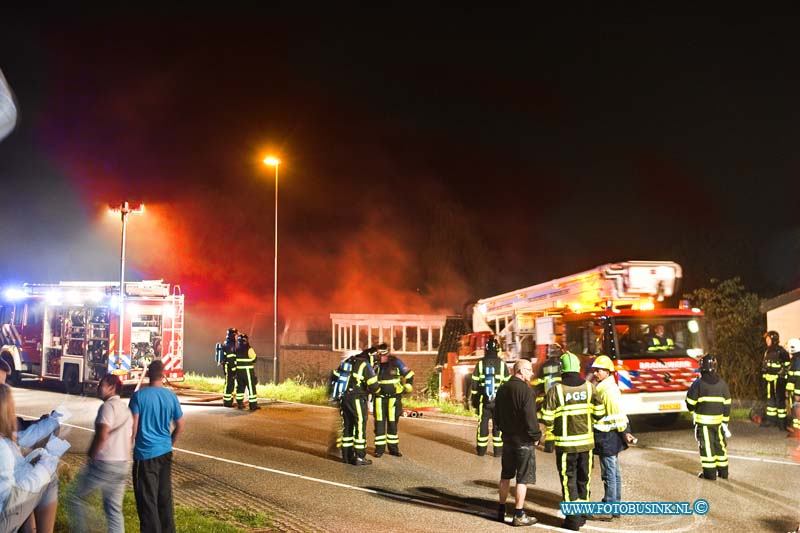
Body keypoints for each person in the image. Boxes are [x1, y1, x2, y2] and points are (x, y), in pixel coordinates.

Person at [540, 352, 604, 531]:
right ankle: (583, 514)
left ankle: (573, 520)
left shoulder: (556, 390)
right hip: (587, 445)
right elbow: (599, 414)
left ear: (562, 369)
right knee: (585, 479)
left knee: (569, 481)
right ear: (577, 368)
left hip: (566, 446)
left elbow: (547, 418)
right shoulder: (590, 388)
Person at [69, 374, 132, 532]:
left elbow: (102, 434)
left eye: (101, 385)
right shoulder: (126, 409)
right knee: (114, 509)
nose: (98, 387)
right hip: (122, 464)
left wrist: (91, 455)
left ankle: (87, 529)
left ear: (112, 388)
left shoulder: (107, 407)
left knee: (74, 497)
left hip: (104, 463)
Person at [130, 359, 185, 532]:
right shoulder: (171, 396)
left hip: (145, 456)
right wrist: (169, 442)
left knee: (147, 502)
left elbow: (134, 428)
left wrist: (126, 449)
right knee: (164, 498)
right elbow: (180, 425)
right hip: (165, 453)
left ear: (147, 375)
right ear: (163, 375)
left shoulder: (139, 397)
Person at [0, 384, 62, 533]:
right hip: (3, 517)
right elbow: (12, 497)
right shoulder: (2, 445)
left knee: (33, 480)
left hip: (6, 505)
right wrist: (46, 465)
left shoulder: (5, 441)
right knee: (50, 478)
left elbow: (27, 436)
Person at [493, 358, 541, 527]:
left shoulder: (502, 389)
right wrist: (536, 436)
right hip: (523, 441)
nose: (532, 373)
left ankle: (501, 509)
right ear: (521, 371)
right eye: (529, 370)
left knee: (505, 476)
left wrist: (501, 430)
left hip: (507, 440)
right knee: (522, 479)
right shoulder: (526, 392)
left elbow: (496, 413)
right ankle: (519, 514)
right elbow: (530, 418)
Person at [590, 355, 636, 519]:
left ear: (607, 372)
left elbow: (617, 415)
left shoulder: (607, 391)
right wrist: (625, 431)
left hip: (606, 436)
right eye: (594, 370)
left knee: (609, 473)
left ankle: (609, 506)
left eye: (599, 370)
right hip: (610, 436)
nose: (595, 373)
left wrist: (625, 431)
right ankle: (615, 506)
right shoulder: (607, 388)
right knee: (614, 472)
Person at [686, 354, 731, 480]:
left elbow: (690, 403)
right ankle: (723, 472)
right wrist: (725, 422)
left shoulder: (698, 384)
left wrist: (693, 408)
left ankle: (710, 474)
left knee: (707, 448)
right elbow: (727, 404)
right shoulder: (722, 384)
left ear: (702, 367)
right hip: (719, 423)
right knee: (720, 446)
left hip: (704, 424)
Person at [336, 348, 379, 465]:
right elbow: (374, 386)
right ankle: (359, 457)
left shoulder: (348, 362)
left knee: (347, 426)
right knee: (360, 425)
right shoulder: (364, 364)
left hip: (344, 398)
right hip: (357, 399)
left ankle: (346, 455)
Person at [470, 338, 511, 456]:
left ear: (486, 349)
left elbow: (474, 384)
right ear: (497, 349)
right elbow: (508, 384)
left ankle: (481, 450)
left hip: (484, 400)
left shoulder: (481, 364)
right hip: (499, 402)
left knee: (483, 423)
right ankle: (498, 451)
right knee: (498, 425)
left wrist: (475, 400)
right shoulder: (502, 365)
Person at [373, 342, 414, 458]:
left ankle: (393, 449)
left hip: (394, 398)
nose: (382, 356)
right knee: (379, 424)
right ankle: (379, 450)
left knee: (392, 424)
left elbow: (409, 374)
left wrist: (407, 387)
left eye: (384, 353)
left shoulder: (396, 362)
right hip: (379, 398)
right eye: (380, 353)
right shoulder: (374, 364)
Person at [532, 344, 563, 453]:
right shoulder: (561, 364)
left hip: (546, 397)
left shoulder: (544, 366)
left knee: (548, 422)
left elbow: (538, 381)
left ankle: (548, 445)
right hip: (560, 396)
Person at [761, 331, 791, 429]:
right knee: (770, 402)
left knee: (780, 401)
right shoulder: (767, 351)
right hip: (769, 381)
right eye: (766, 339)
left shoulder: (781, 351)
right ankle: (771, 420)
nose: (767, 341)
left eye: (768, 339)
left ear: (774, 340)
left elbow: (787, 366)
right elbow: (765, 366)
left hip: (779, 381)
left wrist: (781, 375)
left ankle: (782, 423)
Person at [235, 333, 260, 411]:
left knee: (240, 387)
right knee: (251, 387)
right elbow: (254, 359)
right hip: (248, 371)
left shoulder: (236, 349)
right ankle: (253, 406)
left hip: (238, 371)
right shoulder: (249, 349)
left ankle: (240, 404)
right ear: (246, 340)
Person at [217, 328, 238, 408]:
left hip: (230, 368)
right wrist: (234, 370)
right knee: (229, 383)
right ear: (232, 335)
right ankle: (227, 402)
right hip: (229, 368)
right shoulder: (230, 346)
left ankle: (229, 400)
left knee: (230, 383)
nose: (237, 337)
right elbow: (231, 359)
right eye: (236, 335)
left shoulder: (230, 344)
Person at [784, 338, 800, 435]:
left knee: (797, 410)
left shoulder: (798, 361)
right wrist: (788, 389)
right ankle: (796, 430)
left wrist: (798, 394)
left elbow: (798, 379)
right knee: (795, 410)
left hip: (797, 392)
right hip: (793, 391)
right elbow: (791, 377)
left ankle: (797, 431)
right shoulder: (795, 360)